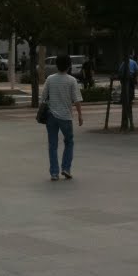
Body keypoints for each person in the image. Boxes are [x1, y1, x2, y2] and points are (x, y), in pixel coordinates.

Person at [39, 52, 83, 181]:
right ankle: (66, 168)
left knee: (52, 145)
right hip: (65, 117)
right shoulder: (71, 80)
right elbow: (76, 100)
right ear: (69, 65)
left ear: (56, 65)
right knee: (69, 142)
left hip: (51, 116)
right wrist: (80, 115)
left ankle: (54, 173)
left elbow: (43, 98)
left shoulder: (50, 79)